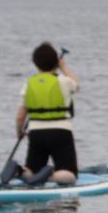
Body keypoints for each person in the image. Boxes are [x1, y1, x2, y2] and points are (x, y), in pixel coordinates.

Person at [14, 42, 79, 185]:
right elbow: (76, 84)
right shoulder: (63, 81)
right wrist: (63, 67)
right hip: (60, 132)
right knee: (70, 174)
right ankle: (48, 177)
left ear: (35, 63)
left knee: (32, 170)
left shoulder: (29, 83)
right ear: (56, 62)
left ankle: (20, 171)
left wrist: (19, 132)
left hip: (36, 133)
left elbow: (20, 116)